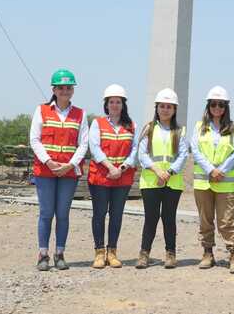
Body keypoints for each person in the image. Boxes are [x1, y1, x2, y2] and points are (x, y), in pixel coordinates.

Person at [29, 68, 88, 271]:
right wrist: (48, 162)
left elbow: (83, 143)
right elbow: (34, 139)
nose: (65, 91)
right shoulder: (42, 110)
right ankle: (43, 254)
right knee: (46, 213)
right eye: (61, 87)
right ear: (54, 89)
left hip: (68, 173)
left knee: (62, 214)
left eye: (68, 87)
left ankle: (60, 253)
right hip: (46, 171)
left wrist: (70, 165)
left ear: (73, 90)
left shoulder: (80, 114)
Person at [191, 86, 234, 274]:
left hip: (225, 181)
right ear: (208, 106)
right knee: (205, 219)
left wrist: (221, 170)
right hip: (204, 181)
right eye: (213, 104)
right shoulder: (199, 127)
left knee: (226, 220)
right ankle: (207, 252)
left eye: (221, 104)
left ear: (226, 107)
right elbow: (195, 149)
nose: (217, 108)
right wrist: (210, 169)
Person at [135, 88, 188, 269]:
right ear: (157, 107)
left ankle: (170, 253)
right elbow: (142, 154)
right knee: (151, 217)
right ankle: (144, 254)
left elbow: (182, 156)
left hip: (172, 182)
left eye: (169, 107)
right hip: (151, 181)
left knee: (168, 217)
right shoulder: (149, 129)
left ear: (174, 110)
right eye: (162, 106)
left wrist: (169, 173)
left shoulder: (179, 131)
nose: (165, 110)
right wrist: (158, 171)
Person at [87, 84, 138, 269]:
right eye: (111, 102)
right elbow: (95, 148)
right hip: (102, 177)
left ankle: (112, 252)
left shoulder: (131, 125)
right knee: (99, 214)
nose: (115, 105)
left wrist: (122, 168)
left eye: (118, 102)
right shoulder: (97, 123)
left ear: (123, 104)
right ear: (106, 104)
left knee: (116, 215)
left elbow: (135, 150)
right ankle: (99, 252)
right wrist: (110, 167)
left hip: (122, 179)